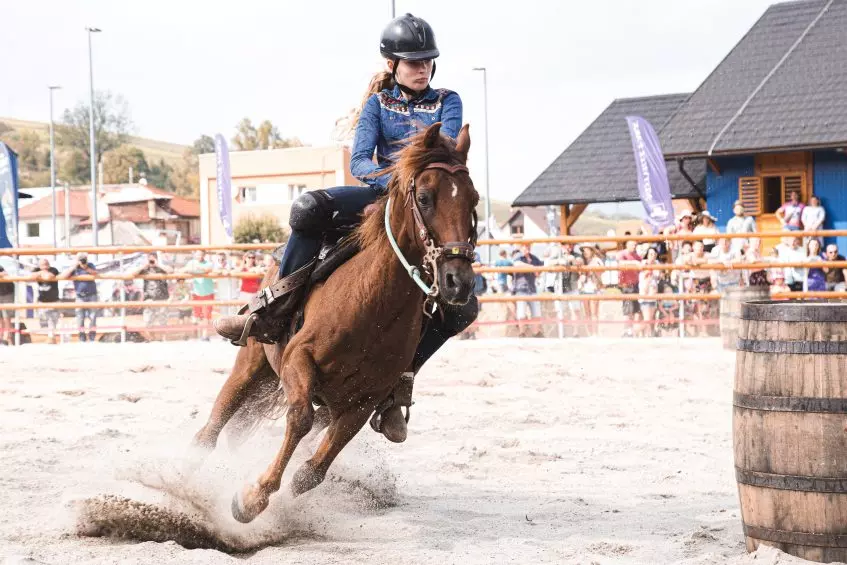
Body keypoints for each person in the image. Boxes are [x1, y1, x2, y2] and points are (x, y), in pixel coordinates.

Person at [214, 13, 476, 444]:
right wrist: (396, 186)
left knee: (464, 309)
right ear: (391, 64)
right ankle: (272, 307)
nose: (422, 67)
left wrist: (422, 188)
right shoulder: (377, 105)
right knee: (306, 209)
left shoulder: (449, 100)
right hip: (383, 198)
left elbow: (443, 152)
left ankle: (402, 379)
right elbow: (359, 163)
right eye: (412, 61)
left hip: (428, 206)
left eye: (427, 60)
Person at [132, 253, 171, 340]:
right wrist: (144, 266)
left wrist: (158, 264)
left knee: (163, 321)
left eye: (153, 259)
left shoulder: (161, 268)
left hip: (162, 298)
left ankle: (164, 339)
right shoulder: (145, 269)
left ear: (156, 259)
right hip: (149, 298)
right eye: (149, 259)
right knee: (148, 321)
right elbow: (133, 274)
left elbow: (171, 271)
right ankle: (152, 338)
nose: (151, 261)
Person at [63, 252, 98, 343]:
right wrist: (75, 266)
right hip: (80, 296)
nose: (82, 260)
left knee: (93, 317)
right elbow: (64, 276)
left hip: (92, 295)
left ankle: (92, 337)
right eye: (80, 259)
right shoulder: (74, 267)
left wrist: (85, 267)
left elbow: (95, 274)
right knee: (80, 317)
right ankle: (82, 337)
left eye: (84, 258)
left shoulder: (90, 265)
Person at [182, 250, 214, 340]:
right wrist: (191, 269)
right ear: (195, 255)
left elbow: (208, 269)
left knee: (207, 315)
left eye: (201, 254)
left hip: (208, 292)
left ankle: (205, 335)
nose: (200, 255)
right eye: (198, 254)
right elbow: (183, 270)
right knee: (197, 315)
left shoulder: (208, 263)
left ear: (204, 255)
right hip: (196, 293)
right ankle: (197, 334)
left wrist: (195, 268)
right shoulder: (191, 262)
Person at [513, 244, 543, 338]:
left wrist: (536, 269)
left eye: (528, 246)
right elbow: (516, 264)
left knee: (536, 312)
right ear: (521, 248)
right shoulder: (518, 256)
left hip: (532, 288)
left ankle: (536, 332)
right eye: (525, 246)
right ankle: (522, 333)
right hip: (521, 288)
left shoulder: (534, 258)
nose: (527, 248)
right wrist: (531, 267)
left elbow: (539, 271)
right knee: (521, 312)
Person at [617, 240, 642, 337]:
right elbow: (621, 264)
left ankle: (632, 331)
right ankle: (626, 330)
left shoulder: (637, 256)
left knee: (636, 309)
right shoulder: (622, 254)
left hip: (635, 284)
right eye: (632, 244)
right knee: (628, 310)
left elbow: (641, 265)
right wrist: (635, 263)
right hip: (626, 285)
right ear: (627, 245)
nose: (634, 246)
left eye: (635, 245)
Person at [32, 258, 60, 344]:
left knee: (52, 320)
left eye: (46, 264)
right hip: (42, 300)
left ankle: (51, 338)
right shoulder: (36, 270)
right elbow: (31, 276)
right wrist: (41, 272)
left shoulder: (53, 269)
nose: (45, 267)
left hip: (53, 300)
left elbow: (48, 277)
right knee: (43, 320)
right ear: (39, 266)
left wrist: (41, 273)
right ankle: (49, 337)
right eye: (43, 265)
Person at [0, 265, 14, 344]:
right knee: (1, 319)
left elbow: (5, 274)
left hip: (7, 293)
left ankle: (8, 339)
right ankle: (1, 338)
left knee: (7, 318)